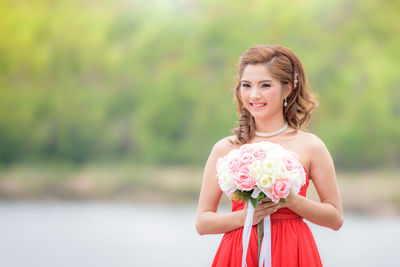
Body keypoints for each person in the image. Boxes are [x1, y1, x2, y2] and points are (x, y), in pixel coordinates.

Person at [195, 44, 343, 267]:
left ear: (287, 89)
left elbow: (335, 218)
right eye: (247, 85)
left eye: (265, 85)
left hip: (292, 251)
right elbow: (203, 222)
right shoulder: (225, 148)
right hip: (240, 251)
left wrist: (291, 200)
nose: (254, 95)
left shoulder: (311, 146)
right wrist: (243, 218)